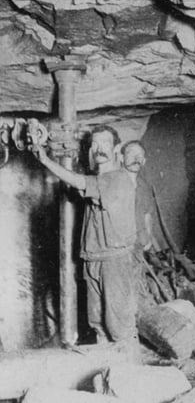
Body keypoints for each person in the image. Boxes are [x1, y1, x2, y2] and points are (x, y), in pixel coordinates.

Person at [36, 125, 137, 343]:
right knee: (97, 324)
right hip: (92, 259)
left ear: (117, 148)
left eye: (106, 143)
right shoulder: (97, 179)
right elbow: (82, 186)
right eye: (95, 143)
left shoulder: (118, 178)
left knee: (119, 326)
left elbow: (80, 182)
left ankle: (130, 371)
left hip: (114, 261)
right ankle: (105, 370)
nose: (99, 148)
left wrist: (45, 160)